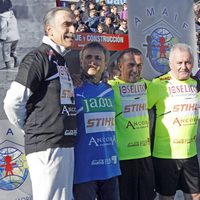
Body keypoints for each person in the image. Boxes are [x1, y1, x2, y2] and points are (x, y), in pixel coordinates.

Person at [4, 7, 77, 200]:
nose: (73, 30)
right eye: (66, 25)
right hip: (46, 146)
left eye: (75, 25)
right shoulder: (38, 57)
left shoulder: (60, 59)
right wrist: (29, 127)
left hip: (65, 144)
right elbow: (13, 101)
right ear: (49, 30)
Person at [148, 43, 200, 200]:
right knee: (166, 196)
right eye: (179, 62)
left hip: (190, 153)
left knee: (195, 195)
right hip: (165, 154)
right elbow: (140, 109)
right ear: (170, 63)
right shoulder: (157, 84)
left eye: (188, 62)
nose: (184, 66)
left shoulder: (196, 84)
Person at [73, 42, 121, 200]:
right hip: (83, 169)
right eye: (88, 57)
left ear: (105, 63)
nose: (92, 61)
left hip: (110, 167)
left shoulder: (111, 90)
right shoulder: (72, 89)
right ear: (81, 61)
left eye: (98, 58)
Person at [108, 48, 155, 200]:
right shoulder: (109, 88)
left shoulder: (148, 86)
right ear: (120, 66)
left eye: (139, 66)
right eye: (131, 65)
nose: (135, 70)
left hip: (145, 155)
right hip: (122, 158)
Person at [0, 0, 20, 69]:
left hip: (8, 38)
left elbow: (3, 27)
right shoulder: (12, 14)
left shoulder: (3, 17)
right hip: (16, 37)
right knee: (13, 51)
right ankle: (16, 62)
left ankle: (8, 67)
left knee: (6, 53)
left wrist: (1, 38)